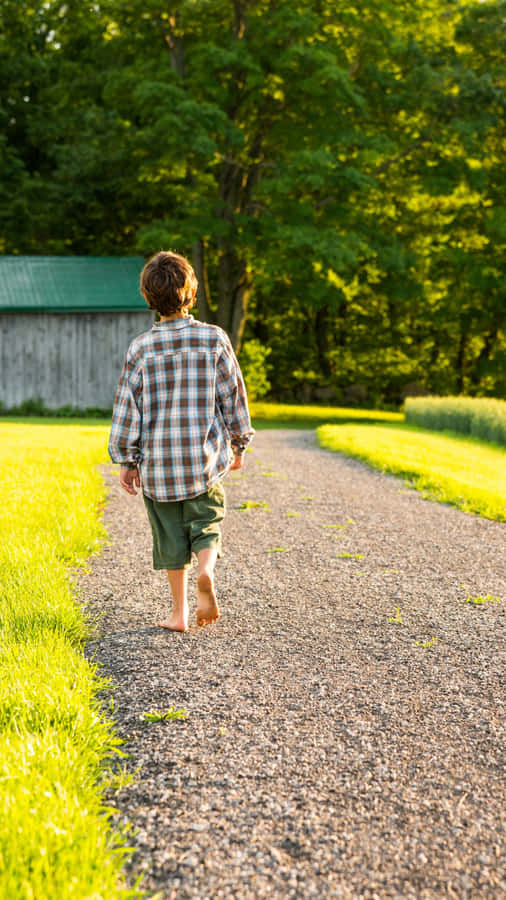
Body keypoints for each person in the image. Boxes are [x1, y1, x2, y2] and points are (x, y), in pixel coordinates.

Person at [108, 250, 254, 632]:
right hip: (203, 463)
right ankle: (207, 570)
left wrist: (126, 460)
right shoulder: (214, 339)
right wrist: (238, 444)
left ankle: (179, 612)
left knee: (170, 539)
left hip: (159, 468)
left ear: (147, 297)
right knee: (207, 523)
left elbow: (128, 407)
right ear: (192, 293)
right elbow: (233, 396)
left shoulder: (141, 348)